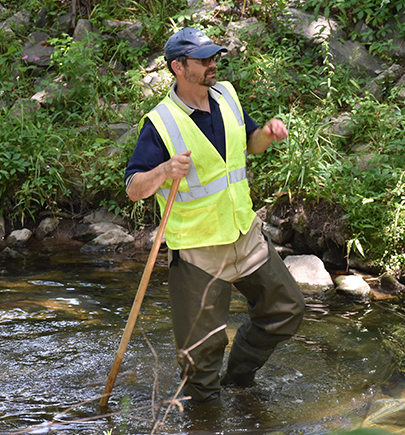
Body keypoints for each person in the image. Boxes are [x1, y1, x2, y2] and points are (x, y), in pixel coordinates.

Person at [124, 27, 305, 406]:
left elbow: (250, 144)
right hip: (198, 253)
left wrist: (268, 135)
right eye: (203, 59)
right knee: (200, 362)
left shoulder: (227, 96)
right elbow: (134, 188)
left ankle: (238, 379)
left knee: (286, 308)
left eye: (214, 57)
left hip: (245, 235)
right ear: (178, 67)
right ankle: (204, 418)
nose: (212, 64)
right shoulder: (160, 123)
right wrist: (163, 171)